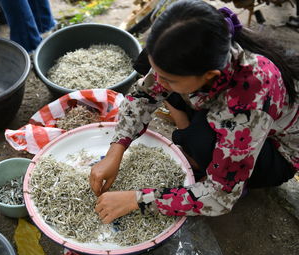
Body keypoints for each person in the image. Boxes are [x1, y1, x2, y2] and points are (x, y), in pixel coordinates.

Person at [90, 0, 299, 224]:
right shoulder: (205, 45)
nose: (157, 82)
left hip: (277, 152)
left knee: (198, 140)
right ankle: (189, 125)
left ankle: (236, 176)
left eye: (168, 79)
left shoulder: (245, 106)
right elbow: (146, 93)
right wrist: (117, 149)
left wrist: (137, 200)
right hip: (228, 109)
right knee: (150, 67)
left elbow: (221, 196)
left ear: (209, 76)